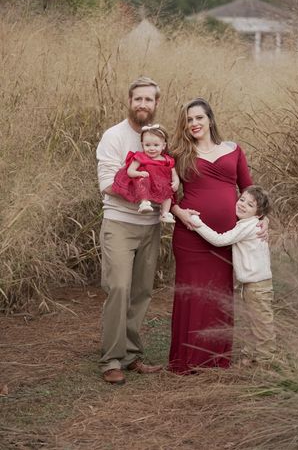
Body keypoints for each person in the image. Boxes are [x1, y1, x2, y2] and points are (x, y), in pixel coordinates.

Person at [168, 97, 268, 374]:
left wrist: (264, 218)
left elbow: (250, 189)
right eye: (189, 120)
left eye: (199, 117)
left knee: (218, 294)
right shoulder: (178, 154)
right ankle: (186, 360)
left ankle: (216, 359)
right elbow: (165, 194)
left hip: (227, 236)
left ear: (210, 119)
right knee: (192, 293)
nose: (194, 124)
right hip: (190, 235)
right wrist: (180, 213)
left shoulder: (234, 150)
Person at [96, 76, 163, 384]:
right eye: (138, 98)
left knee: (141, 291)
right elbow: (108, 185)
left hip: (151, 226)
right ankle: (111, 359)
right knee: (119, 288)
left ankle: (132, 354)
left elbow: (169, 175)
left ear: (156, 104)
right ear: (129, 100)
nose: (143, 104)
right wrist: (145, 194)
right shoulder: (114, 136)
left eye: (148, 99)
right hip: (120, 224)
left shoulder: (159, 136)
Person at [190, 185, 276, 365]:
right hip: (252, 284)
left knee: (261, 322)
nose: (243, 205)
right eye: (242, 200)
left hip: (258, 285)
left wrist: (197, 223)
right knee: (252, 319)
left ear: (258, 214)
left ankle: (266, 360)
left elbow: (220, 240)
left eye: (250, 205)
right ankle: (251, 355)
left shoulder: (249, 226)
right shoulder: (249, 223)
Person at [112, 124, 179, 223]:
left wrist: (176, 182)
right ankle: (144, 203)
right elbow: (130, 171)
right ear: (142, 144)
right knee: (142, 182)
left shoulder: (167, 160)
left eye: (156, 145)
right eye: (147, 145)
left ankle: (164, 213)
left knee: (168, 194)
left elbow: (174, 174)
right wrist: (139, 173)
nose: (152, 148)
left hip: (161, 185)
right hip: (146, 181)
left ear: (163, 146)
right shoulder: (140, 157)